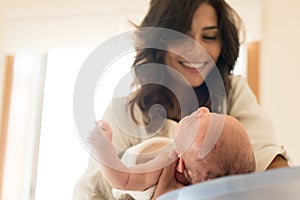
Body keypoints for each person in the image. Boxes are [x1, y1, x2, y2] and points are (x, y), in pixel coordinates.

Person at [73, 0, 289, 199]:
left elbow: (272, 166)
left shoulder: (234, 92)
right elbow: (95, 191)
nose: (196, 49)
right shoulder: (126, 113)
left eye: (209, 36)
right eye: (180, 36)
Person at [87, 107, 255, 199]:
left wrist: (104, 149)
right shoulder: (201, 180)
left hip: (109, 187)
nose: (202, 109)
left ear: (179, 162)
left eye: (194, 122)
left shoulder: (166, 163)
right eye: (213, 114)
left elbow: (124, 180)